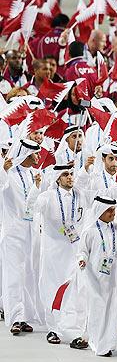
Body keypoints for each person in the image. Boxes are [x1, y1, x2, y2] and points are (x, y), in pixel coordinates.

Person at [28, 162, 88, 348]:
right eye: (65, 174)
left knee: (74, 289)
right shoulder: (48, 196)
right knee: (52, 287)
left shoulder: (80, 195)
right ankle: (53, 328)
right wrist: (36, 187)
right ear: (57, 178)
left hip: (74, 250)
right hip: (53, 252)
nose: (70, 177)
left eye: (71, 173)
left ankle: (74, 329)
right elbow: (32, 206)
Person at [76, 196, 117, 357]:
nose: (112, 213)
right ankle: (97, 343)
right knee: (97, 311)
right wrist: (82, 260)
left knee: (113, 311)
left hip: (114, 279)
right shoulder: (90, 231)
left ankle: (108, 343)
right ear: (99, 210)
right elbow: (82, 251)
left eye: (113, 210)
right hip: (95, 279)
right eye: (108, 210)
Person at [0, 139, 42, 335]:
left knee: (28, 274)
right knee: (14, 276)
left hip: (31, 231)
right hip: (13, 232)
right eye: (34, 154)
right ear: (25, 154)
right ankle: (15, 318)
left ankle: (24, 316)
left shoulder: (34, 174)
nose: (38, 157)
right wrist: (3, 171)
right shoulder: (8, 175)